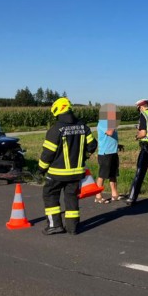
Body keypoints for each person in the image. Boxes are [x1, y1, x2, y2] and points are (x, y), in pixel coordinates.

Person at [38, 97, 97, 235]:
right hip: (76, 173)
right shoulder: (83, 126)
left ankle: (54, 226)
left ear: (57, 111)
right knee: (71, 197)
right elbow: (92, 145)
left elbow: (48, 154)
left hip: (57, 173)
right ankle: (72, 228)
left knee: (50, 195)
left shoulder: (55, 129)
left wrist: (41, 169)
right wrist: (84, 157)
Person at [96, 103, 121, 204]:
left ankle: (114, 194)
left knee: (113, 174)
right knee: (102, 175)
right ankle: (98, 196)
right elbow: (110, 132)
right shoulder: (102, 123)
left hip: (113, 152)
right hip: (105, 153)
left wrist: (118, 145)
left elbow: (110, 138)